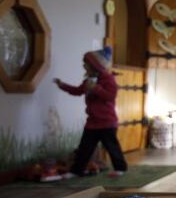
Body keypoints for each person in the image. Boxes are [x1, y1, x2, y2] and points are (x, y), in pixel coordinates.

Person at [54, 47, 127, 178]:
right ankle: (76, 171)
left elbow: (110, 96)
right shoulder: (88, 81)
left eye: (86, 63)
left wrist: (96, 88)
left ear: (95, 66)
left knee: (112, 147)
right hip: (92, 122)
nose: (84, 66)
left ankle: (120, 168)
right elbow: (77, 91)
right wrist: (62, 85)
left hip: (107, 122)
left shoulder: (108, 80)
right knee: (85, 148)